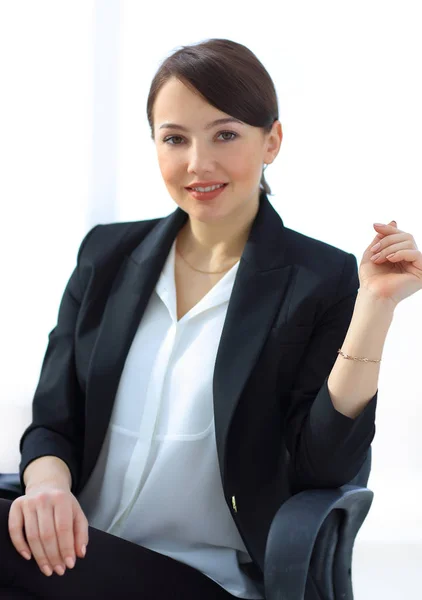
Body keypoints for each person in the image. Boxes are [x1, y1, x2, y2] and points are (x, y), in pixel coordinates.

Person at [1, 37, 421, 599]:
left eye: (225, 134)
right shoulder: (104, 257)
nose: (198, 164)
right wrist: (48, 489)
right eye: (175, 139)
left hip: (199, 578)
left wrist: (375, 307)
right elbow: (54, 420)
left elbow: (324, 467)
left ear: (272, 140)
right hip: (77, 548)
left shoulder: (320, 279)